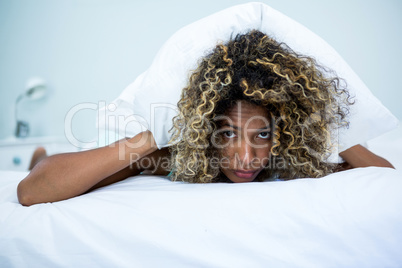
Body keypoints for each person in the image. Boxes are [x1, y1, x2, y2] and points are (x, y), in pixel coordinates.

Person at [17, 30, 393, 206]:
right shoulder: (178, 155)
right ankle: (38, 153)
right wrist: (149, 140)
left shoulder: (290, 157)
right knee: (50, 161)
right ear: (206, 129)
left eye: (261, 136)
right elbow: (32, 190)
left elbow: (385, 177)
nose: (246, 158)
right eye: (228, 134)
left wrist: (330, 126)